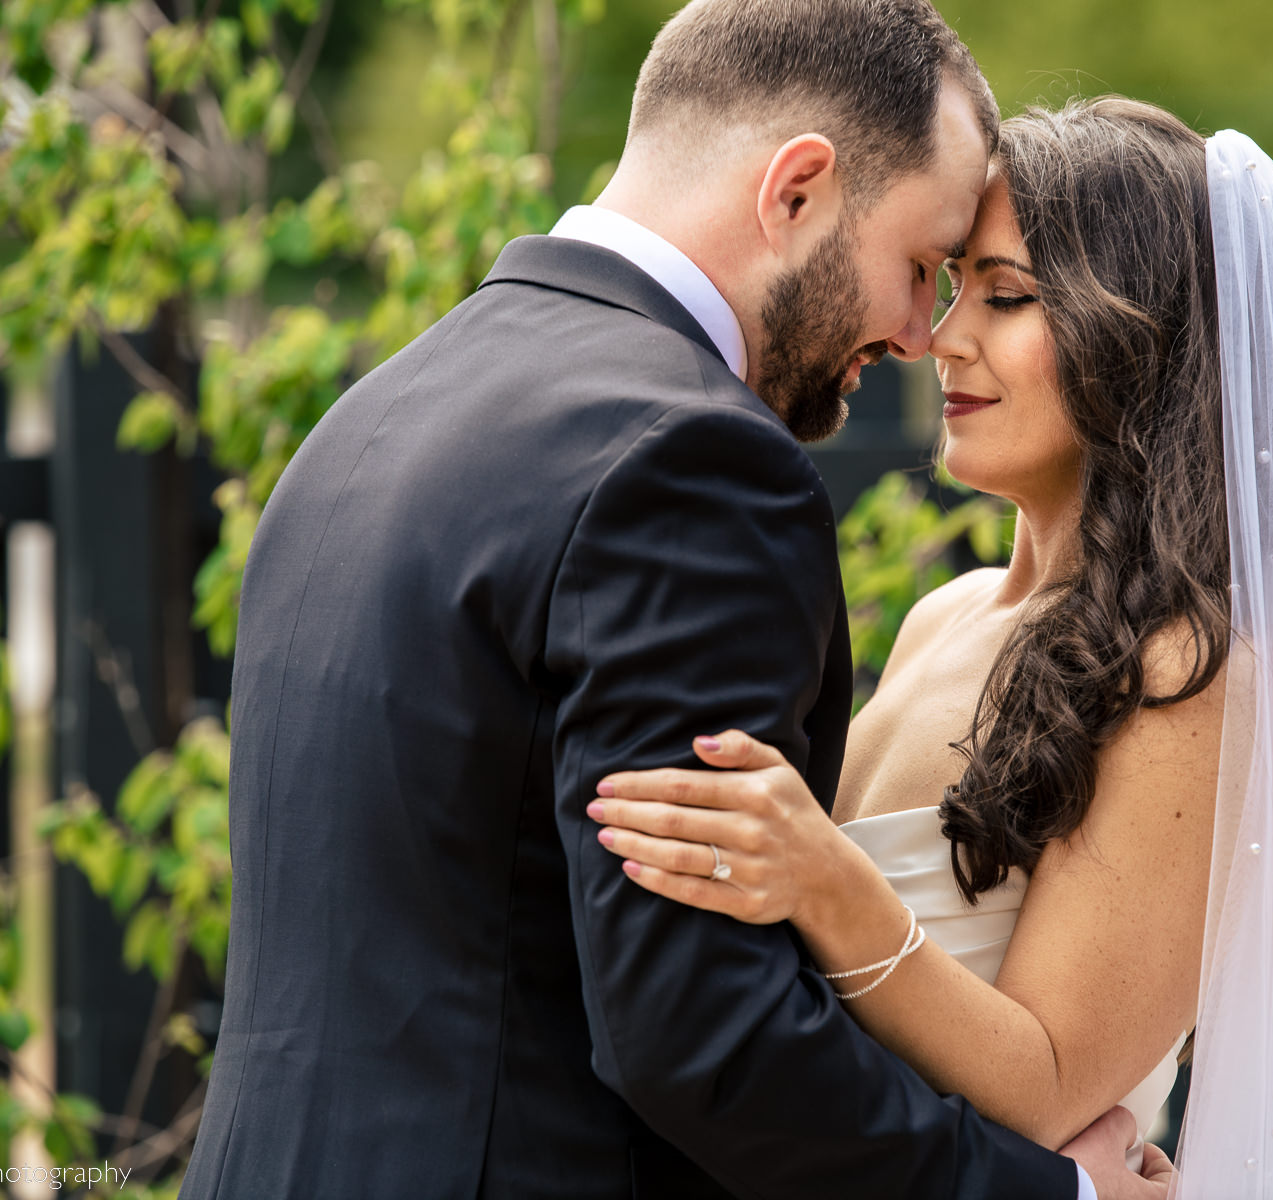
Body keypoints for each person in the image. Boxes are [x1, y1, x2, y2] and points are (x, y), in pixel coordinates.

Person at [179, 4, 1167, 1199]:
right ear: (798, 189)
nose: (919, 335)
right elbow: (698, 1034)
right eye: (919, 269)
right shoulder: (691, 464)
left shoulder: (370, 417)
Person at [590, 97, 1273, 1200]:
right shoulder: (945, 616)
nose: (940, 335)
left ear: (1138, 336)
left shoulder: (1186, 679)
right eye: (953, 281)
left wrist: (828, 881)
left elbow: (1053, 1082)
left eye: (1008, 295)